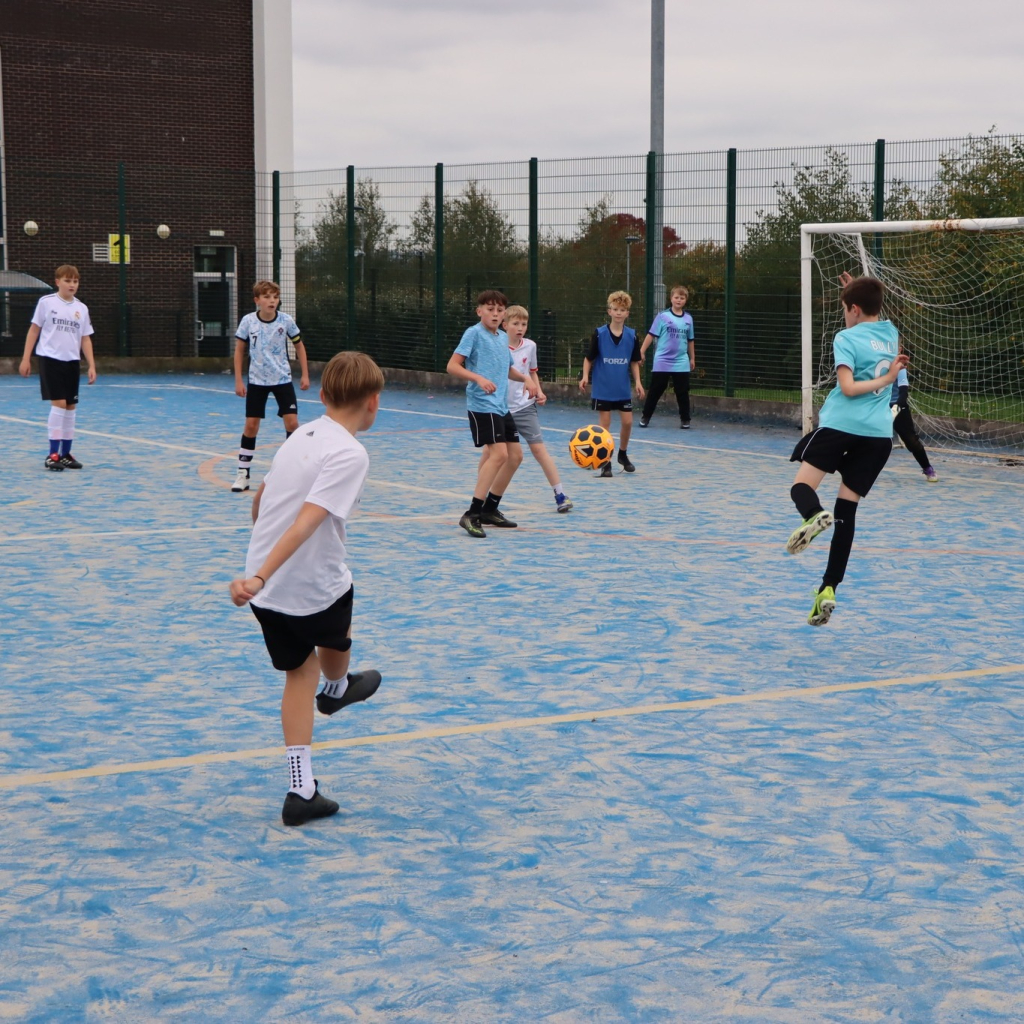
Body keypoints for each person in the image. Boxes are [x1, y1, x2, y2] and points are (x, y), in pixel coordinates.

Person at [229, 351, 384, 827]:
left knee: (299, 673)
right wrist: (264, 574)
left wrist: (257, 571)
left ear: (322, 396)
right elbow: (305, 523)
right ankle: (337, 688)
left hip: (266, 594)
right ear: (373, 403)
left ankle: (302, 789)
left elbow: (263, 501)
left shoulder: (300, 436)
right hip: (301, 584)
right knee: (336, 622)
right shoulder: (350, 453)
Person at [785, 274, 909, 626]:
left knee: (802, 488)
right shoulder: (890, 333)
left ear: (853, 310)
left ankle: (812, 515)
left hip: (841, 425)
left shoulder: (845, 337)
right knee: (846, 514)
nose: (843, 315)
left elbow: (848, 387)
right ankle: (828, 588)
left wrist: (886, 380)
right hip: (878, 436)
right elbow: (871, 310)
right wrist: (858, 289)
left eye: (844, 308)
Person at [446, 290, 538, 538]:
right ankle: (472, 514)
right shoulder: (473, 334)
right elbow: (452, 365)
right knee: (498, 455)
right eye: (490, 309)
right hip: (481, 405)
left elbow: (507, 369)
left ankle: (490, 509)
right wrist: (478, 378)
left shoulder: (500, 338)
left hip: (501, 406)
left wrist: (528, 380)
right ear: (480, 311)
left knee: (515, 456)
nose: (495, 314)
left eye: (499, 310)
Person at [232, 280, 309, 492]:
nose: (271, 301)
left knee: (292, 424)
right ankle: (243, 474)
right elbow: (239, 350)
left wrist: (305, 374)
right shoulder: (248, 321)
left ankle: (290, 474)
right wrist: (239, 380)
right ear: (257, 300)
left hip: (282, 379)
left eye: (275, 297)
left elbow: (299, 346)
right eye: (266, 297)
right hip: (257, 381)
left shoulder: (286, 321)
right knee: (251, 426)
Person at [19, 265, 97, 471]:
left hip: (72, 362)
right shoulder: (46, 303)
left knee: (71, 406)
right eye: (67, 281)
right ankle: (52, 454)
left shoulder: (82, 308)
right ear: (57, 282)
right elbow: (34, 330)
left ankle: (65, 455)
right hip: (50, 359)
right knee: (60, 404)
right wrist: (26, 359)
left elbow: (85, 338)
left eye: (75, 281)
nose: (72, 285)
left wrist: (91, 365)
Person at [504, 305, 573, 513]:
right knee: (494, 455)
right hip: (500, 409)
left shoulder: (530, 346)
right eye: (515, 324)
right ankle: (482, 499)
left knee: (539, 450)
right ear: (504, 325)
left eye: (523, 324)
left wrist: (539, 391)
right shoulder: (497, 347)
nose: (520, 328)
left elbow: (532, 373)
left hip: (525, 407)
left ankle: (560, 494)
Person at [579, 290, 645, 476]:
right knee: (605, 425)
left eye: (622, 309)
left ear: (627, 313)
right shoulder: (599, 334)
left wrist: (638, 382)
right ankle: (605, 461)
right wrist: (585, 376)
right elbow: (588, 358)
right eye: (615, 309)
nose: (618, 312)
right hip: (603, 387)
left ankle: (622, 455)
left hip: (622, 388)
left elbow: (634, 361)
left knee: (628, 422)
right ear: (609, 311)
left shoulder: (632, 336)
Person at [639, 284, 695, 429]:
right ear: (671, 299)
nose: (679, 300)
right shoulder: (663, 316)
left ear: (685, 300)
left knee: (682, 392)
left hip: (681, 361)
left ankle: (685, 419)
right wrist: (642, 351)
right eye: (676, 297)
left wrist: (692, 358)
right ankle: (645, 417)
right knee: (655, 390)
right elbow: (651, 335)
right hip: (663, 360)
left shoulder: (688, 319)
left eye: (682, 298)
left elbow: (690, 340)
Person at [891, 366, 938, 481]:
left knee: (911, 440)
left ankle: (927, 468)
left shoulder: (900, 367)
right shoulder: (874, 362)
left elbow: (903, 391)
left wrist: (896, 407)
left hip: (898, 406)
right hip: (877, 406)